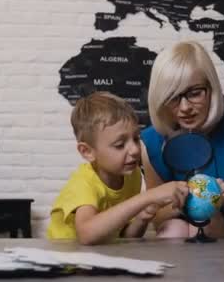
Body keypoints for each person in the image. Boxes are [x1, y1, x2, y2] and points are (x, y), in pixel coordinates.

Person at [141, 41, 224, 238]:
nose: (185, 107)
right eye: (172, 97)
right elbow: (158, 216)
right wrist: (182, 203)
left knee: (211, 220)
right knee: (173, 230)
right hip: (185, 249)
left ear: (211, 89)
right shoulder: (151, 142)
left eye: (195, 93)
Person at [47, 92, 189, 244]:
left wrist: (141, 218)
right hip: (66, 262)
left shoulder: (131, 175)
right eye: (120, 145)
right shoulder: (83, 183)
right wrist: (147, 196)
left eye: (136, 138)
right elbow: (87, 234)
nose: (135, 150)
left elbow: (125, 237)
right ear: (87, 152)